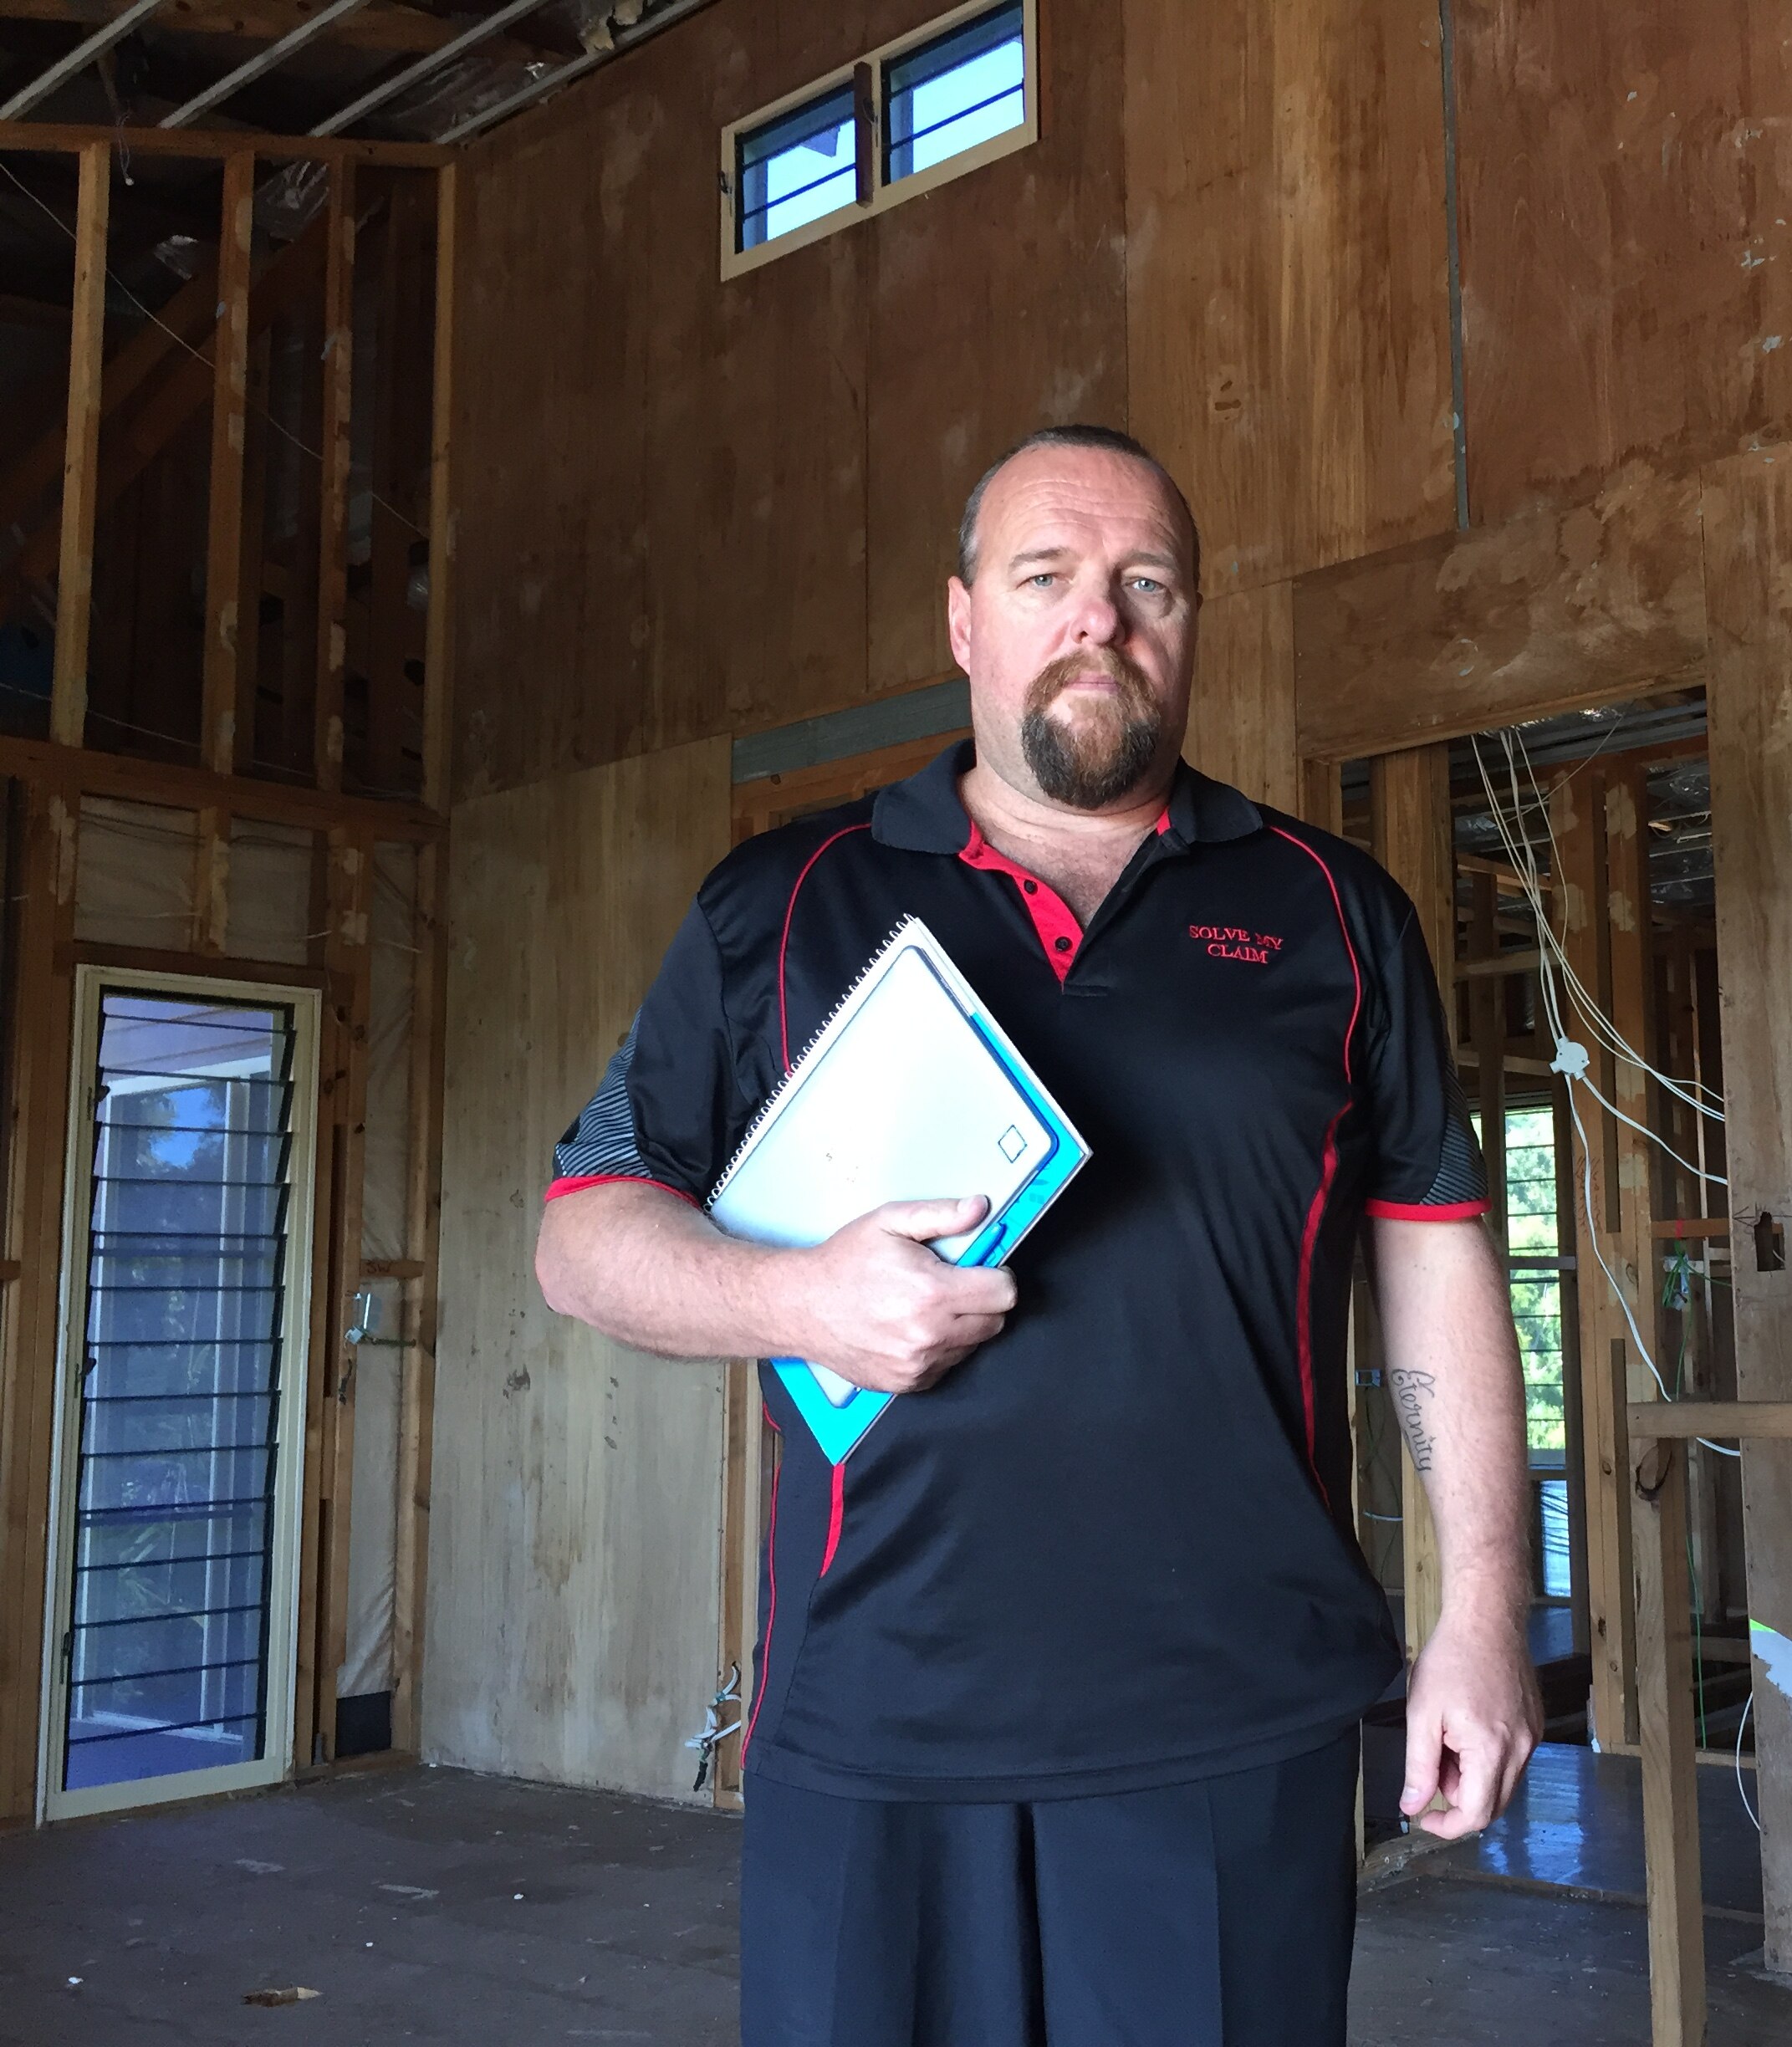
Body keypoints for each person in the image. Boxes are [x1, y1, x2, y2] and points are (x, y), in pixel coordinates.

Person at [535, 423, 1540, 2046]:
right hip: (876, 1728)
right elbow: (585, 1236)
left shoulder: (1335, 915)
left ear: (1194, 620)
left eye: (1148, 583)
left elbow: (1431, 1251)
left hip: (1237, 1725)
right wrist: (799, 1297)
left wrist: (1487, 1607)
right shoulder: (786, 904)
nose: (1101, 621)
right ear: (963, 621)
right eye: (1047, 578)